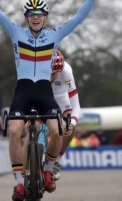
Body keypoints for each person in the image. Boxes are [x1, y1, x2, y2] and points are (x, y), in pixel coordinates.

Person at [0, 0, 105, 201]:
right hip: (22, 91)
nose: (35, 17)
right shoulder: (16, 33)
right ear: (26, 18)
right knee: (14, 132)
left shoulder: (54, 35)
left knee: (58, 132)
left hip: (44, 92)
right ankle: (20, 184)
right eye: (31, 13)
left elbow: (78, 18)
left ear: (45, 17)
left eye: (39, 13)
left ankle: (47, 170)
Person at [49, 50, 81, 181]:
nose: (54, 76)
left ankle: (56, 161)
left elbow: (76, 105)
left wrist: (72, 123)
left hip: (61, 96)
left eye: (57, 72)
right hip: (43, 95)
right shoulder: (37, 67)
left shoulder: (67, 71)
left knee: (68, 127)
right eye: (51, 73)